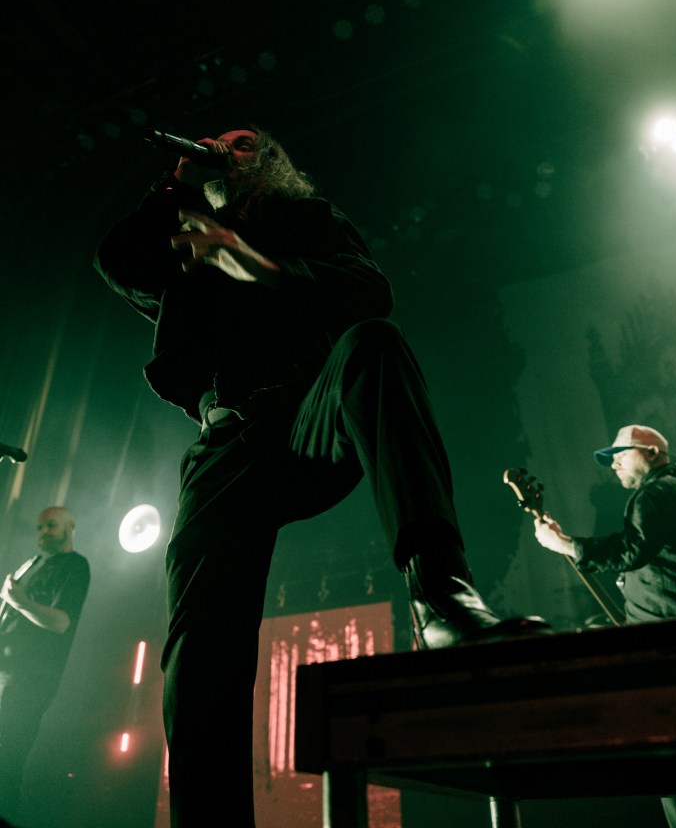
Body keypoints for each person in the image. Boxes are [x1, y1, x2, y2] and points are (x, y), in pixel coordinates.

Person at [94, 124, 549, 828]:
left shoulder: (307, 219)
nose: (225, 147)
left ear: (271, 162)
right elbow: (119, 264)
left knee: (375, 344)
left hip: (314, 410)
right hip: (230, 435)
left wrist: (261, 265)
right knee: (200, 638)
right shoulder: (186, 231)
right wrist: (177, 186)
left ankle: (441, 600)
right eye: (216, 142)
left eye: (243, 142)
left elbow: (370, 291)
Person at [534, 423, 676, 828]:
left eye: (620, 453)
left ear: (651, 451)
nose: (613, 463)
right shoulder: (674, 489)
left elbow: (631, 548)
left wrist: (565, 545)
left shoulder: (655, 493)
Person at [0, 506, 91, 823]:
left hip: (30, 680)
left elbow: (61, 622)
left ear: (71, 526)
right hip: (5, 670)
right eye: (40, 527)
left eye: (51, 525)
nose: (43, 532)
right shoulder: (33, 563)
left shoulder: (75, 566)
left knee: (8, 758)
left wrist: (19, 601)